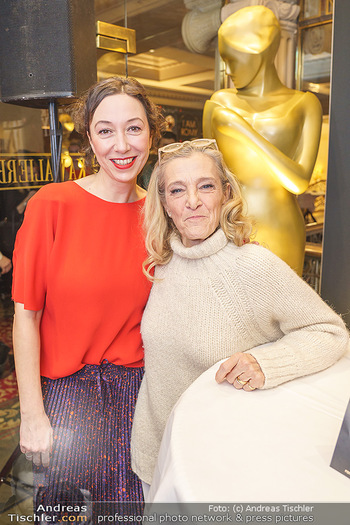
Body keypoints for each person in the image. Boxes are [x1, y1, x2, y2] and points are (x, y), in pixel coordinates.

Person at [130, 139, 349, 494]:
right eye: (177, 190)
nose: (193, 201)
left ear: (225, 193)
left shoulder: (251, 265)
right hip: (153, 451)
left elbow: (330, 332)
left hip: (213, 462)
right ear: (166, 204)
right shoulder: (164, 262)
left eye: (206, 186)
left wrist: (266, 362)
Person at [11, 76, 164, 512]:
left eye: (134, 128)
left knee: (130, 515)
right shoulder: (52, 206)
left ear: (151, 135)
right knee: (66, 515)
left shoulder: (158, 216)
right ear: (89, 139)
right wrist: (32, 413)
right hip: (65, 397)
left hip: (137, 397)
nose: (121, 144)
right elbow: (26, 318)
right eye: (105, 130)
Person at [203, 6, 323, 275]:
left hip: (281, 225)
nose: (228, 68)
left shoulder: (304, 104)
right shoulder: (219, 103)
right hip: (230, 222)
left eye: (233, 59)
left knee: (283, 309)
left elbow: (298, 182)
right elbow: (205, 176)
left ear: (259, 55)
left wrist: (242, 129)